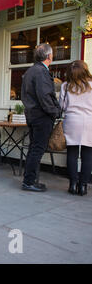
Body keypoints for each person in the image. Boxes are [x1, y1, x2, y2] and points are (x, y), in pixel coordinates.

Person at [21, 43, 61, 192]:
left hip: (32, 114)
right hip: (41, 116)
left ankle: (29, 180)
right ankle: (29, 182)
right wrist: (55, 112)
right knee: (37, 149)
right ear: (49, 56)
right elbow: (45, 96)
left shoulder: (31, 71)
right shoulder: (41, 72)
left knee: (33, 148)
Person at [60, 60, 92, 196]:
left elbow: (62, 105)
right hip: (89, 121)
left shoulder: (66, 86)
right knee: (88, 154)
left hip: (72, 121)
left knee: (72, 153)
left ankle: (73, 184)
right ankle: (83, 186)